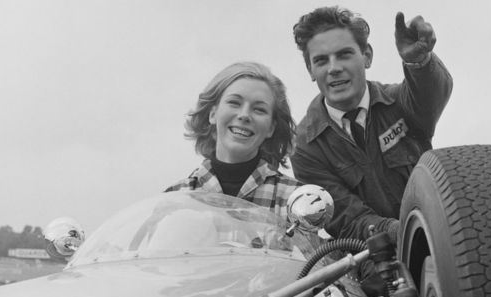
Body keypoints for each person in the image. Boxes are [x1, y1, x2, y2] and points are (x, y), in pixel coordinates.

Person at [290, 7, 453, 242]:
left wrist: (420, 62)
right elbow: (346, 218)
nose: (334, 68)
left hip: (438, 238)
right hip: (372, 258)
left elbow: (431, 94)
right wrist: (400, 232)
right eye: (321, 60)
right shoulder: (306, 146)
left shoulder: (400, 102)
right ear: (311, 70)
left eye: (344, 54)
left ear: (367, 56)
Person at [164, 61, 301, 221]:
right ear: (213, 114)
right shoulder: (174, 200)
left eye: (259, 109)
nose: (244, 115)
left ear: (271, 127)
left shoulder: (296, 201)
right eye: (234, 103)